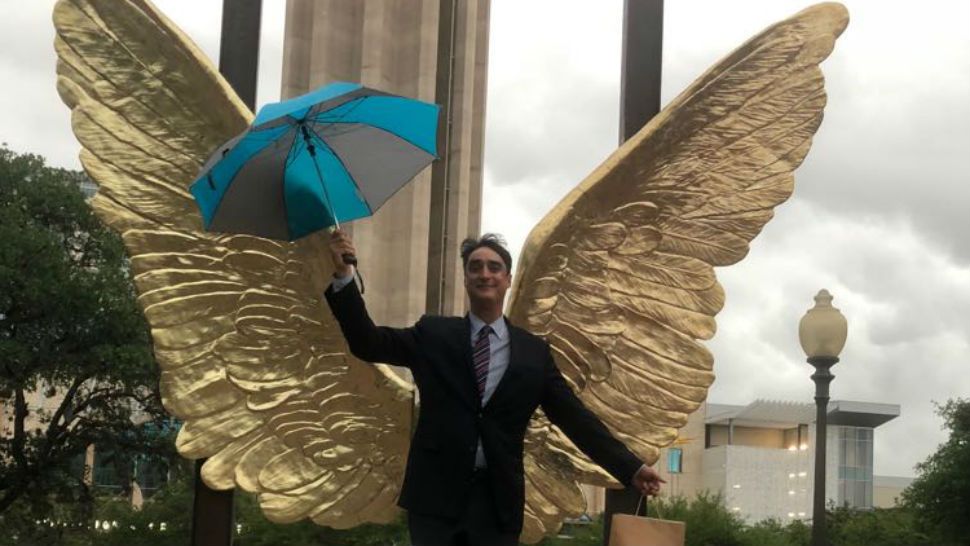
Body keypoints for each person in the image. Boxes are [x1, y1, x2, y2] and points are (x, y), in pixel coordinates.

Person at [325, 230, 663, 545]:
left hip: (497, 503)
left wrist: (630, 467)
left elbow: (575, 419)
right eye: (475, 267)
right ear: (466, 279)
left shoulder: (534, 353)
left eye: (494, 267)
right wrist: (345, 279)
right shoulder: (434, 334)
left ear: (508, 280)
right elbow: (368, 343)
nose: (484, 273)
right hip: (435, 499)